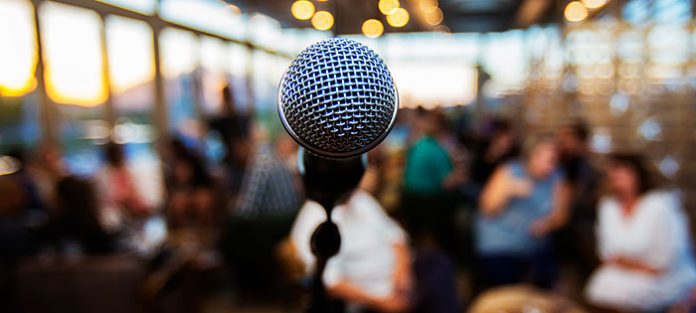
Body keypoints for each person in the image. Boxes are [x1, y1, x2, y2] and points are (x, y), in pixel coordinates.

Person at [585, 153, 696, 312]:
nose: (616, 177)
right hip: (624, 273)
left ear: (637, 175)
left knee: (620, 293)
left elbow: (668, 258)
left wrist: (628, 263)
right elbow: (606, 254)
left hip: (665, 276)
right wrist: (629, 264)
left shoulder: (658, 204)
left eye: (622, 172)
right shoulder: (608, 207)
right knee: (598, 288)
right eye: (612, 173)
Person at [475, 135, 570, 290]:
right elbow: (487, 209)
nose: (551, 166)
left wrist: (548, 224)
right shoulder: (509, 172)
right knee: (505, 285)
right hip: (501, 245)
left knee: (545, 284)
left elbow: (562, 215)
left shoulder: (557, 177)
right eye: (547, 160)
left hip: (535, 246)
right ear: (531, 157)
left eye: (554, 160)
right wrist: (508, 191)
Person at [401, 108, 460, 251]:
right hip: (428, 203)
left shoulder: (418, 146)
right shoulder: (436, 149)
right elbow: (447, 182)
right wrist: (461, 174)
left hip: (409, 201)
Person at [94, 142, 151, 232]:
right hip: (116, 215)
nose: (121, 156)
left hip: (130, 212)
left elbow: (135, 190)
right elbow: (108, 197)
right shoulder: (104, 175)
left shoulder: (127, 171)